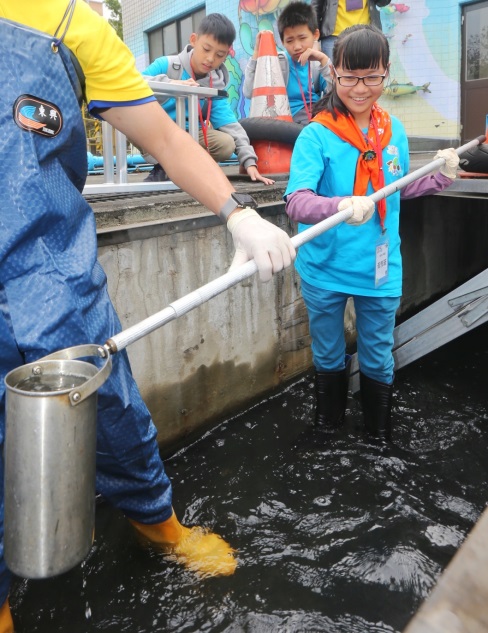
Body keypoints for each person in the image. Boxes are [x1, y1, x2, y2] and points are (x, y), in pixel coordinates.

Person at [0, 1, 297, 630]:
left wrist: (236, 212)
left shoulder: (72, 24)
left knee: (113, 407)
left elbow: (164, 135)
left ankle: (158, 525)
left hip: (49, 270)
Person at [284, 24, 459, 442]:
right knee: (327, 353)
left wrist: (438, 175)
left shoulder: (392, 130)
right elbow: (296, 201)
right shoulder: (316, 134)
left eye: (372, 77)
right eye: (349, 76)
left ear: (385, 72)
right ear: (335, 73)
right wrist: (339, 205)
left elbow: (395, 186)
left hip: (379, 268)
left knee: (378, 355)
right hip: (323, 266)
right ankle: (328, 430)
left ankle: (379, 437)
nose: (360, 88)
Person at [142, 13, 273, 185]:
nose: (211, 59)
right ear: (194, 40)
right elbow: (133, 83)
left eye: (220, 54)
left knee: (226, 143)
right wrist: (171, 83)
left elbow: (230, 124)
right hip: (157, 132)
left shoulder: (214, 84)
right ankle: (164, 165)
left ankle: (181, 168)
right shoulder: (166, 65)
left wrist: (249, 162)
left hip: (191, 136)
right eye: (206, 49)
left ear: (226, 55)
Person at [243, 2, 332, 126]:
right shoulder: (278, 62)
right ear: (283, 42)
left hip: (316, 115)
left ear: (315, 35)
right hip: (289, 120)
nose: (297, 46)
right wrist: (256, 55)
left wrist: (323, 60)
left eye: (302, 38)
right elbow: (248, 92)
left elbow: (336, 93)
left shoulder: (317, 64)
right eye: (290, 40)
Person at [311, 0, 391, 59]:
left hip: (367, 36)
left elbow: (383, 2)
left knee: (367, 75)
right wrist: (314, 40)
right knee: (333, 77)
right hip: (334, 37)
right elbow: (316, 7)